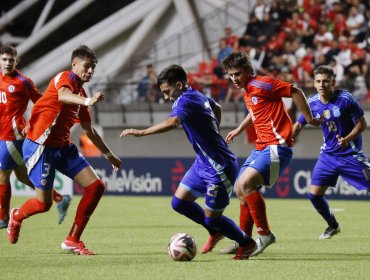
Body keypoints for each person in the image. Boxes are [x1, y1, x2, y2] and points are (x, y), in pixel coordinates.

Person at [121, 64, 257, 260]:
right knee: (179, 202)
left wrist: (142, 132)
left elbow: (173, 122)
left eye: (167, 92)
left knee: (213, 218)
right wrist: (212, 130)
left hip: (219, 166)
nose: (167, 97)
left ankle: (246, 243)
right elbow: (216, 107)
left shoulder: (184, 100)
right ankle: (215, 232)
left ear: (179, 84)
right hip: (203, 162)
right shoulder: (197, 95)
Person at [6, 45, 122, 255]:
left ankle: (72, 240)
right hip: (40, 147)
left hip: (63, 147)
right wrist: (87, 100)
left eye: (93, 68)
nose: (90, 72)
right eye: (87, 66)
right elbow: (62, 95)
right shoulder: (63, 79)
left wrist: (109, 155)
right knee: (44, 204)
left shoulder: (82, 94)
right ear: (74, 64)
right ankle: (17, 215)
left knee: (96, 187)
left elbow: (90, 131)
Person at [219, 52, 321, 255]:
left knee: (246, 185)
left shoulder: (262, 84)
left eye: (237, 74)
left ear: (248, 70)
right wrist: (239, 129)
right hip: (261, 146)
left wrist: (308, 118)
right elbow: (255, 111)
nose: (234, 79)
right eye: (231, 75)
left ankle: (265, 234)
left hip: (277, 145)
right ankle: (244, 241)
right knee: (240, 189)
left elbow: (296, 91)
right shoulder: (248, 90)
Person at [292, 65, 370, 239]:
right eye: (318, 81)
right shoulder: (311, 103)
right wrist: (287, 142)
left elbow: (362, 124)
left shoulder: (346, 99)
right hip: (328, 156)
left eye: (326, 81)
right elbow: (298, 124)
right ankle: (333, 225)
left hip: (350, 155)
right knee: (314, 196)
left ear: (333, 82)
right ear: (314, 83)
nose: (322, 84)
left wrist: (347, 139)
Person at [0, 45, 71, 228]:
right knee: (23, 176)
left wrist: (34, 125)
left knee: (2, 175)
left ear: (17, 61)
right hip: (2, 135)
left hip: (13, 136)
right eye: (4, 59)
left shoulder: (23, 82)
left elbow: (41, 103)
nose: (7, 63)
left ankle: (3, 218)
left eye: (11, 60)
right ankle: (59, 198)